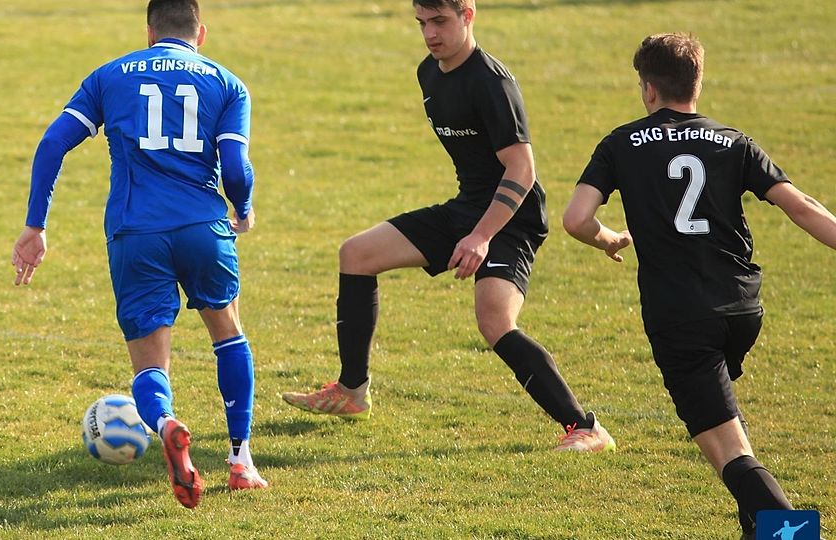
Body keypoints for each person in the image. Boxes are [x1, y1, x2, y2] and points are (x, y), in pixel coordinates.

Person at [281, 0, 615, 453]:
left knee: (494, 320)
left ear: (468, 15)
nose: (430, 34)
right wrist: (469, 225)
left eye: (440, 21)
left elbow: (522, 170)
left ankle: (586, 428)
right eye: (422, 23)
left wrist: (482, 235)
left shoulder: (492, 83)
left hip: (510, 219)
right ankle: (352, 392)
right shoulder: (429, 73)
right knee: (355, 254)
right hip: (466, 207)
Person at [563, 33, 836, 538]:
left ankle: (794, 532)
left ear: (648, 89)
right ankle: (754, 528)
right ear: (697, 84)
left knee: (729, 452)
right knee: (725, 424)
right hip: (742, 310)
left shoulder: (620, 143)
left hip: (681, 316)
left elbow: (576, 219)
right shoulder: (733, 141)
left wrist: (608, 240)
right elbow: (802, 207)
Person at [11, 0, 269, 509]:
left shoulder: (110, 75)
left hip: (135, 232)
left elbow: (52, 143)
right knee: (227, 333)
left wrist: (35, 225)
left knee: (151, 362)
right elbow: (236, 166)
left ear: (149, 32)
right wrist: (242, 209)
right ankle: (241, 461)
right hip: (202, 227)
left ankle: (167, 422)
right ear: (201, 34)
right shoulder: (227, 83)